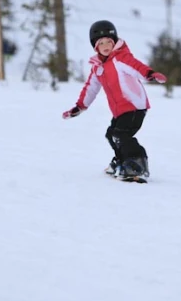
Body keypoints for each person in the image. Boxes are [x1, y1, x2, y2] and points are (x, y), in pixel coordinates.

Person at [62, 20, 166, 182]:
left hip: (133, 106)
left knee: (121, 134)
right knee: (111, 134)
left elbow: (136, 66)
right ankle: (123, 161)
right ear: (95, 47)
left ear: (115, 42)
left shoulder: (121, 58)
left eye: (108, 42)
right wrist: (79, 107)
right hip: (120, 110)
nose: (105, 45)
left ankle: (137, 162)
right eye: (100, 43)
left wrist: (150, 74)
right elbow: (90, 88)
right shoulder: (98, 67)